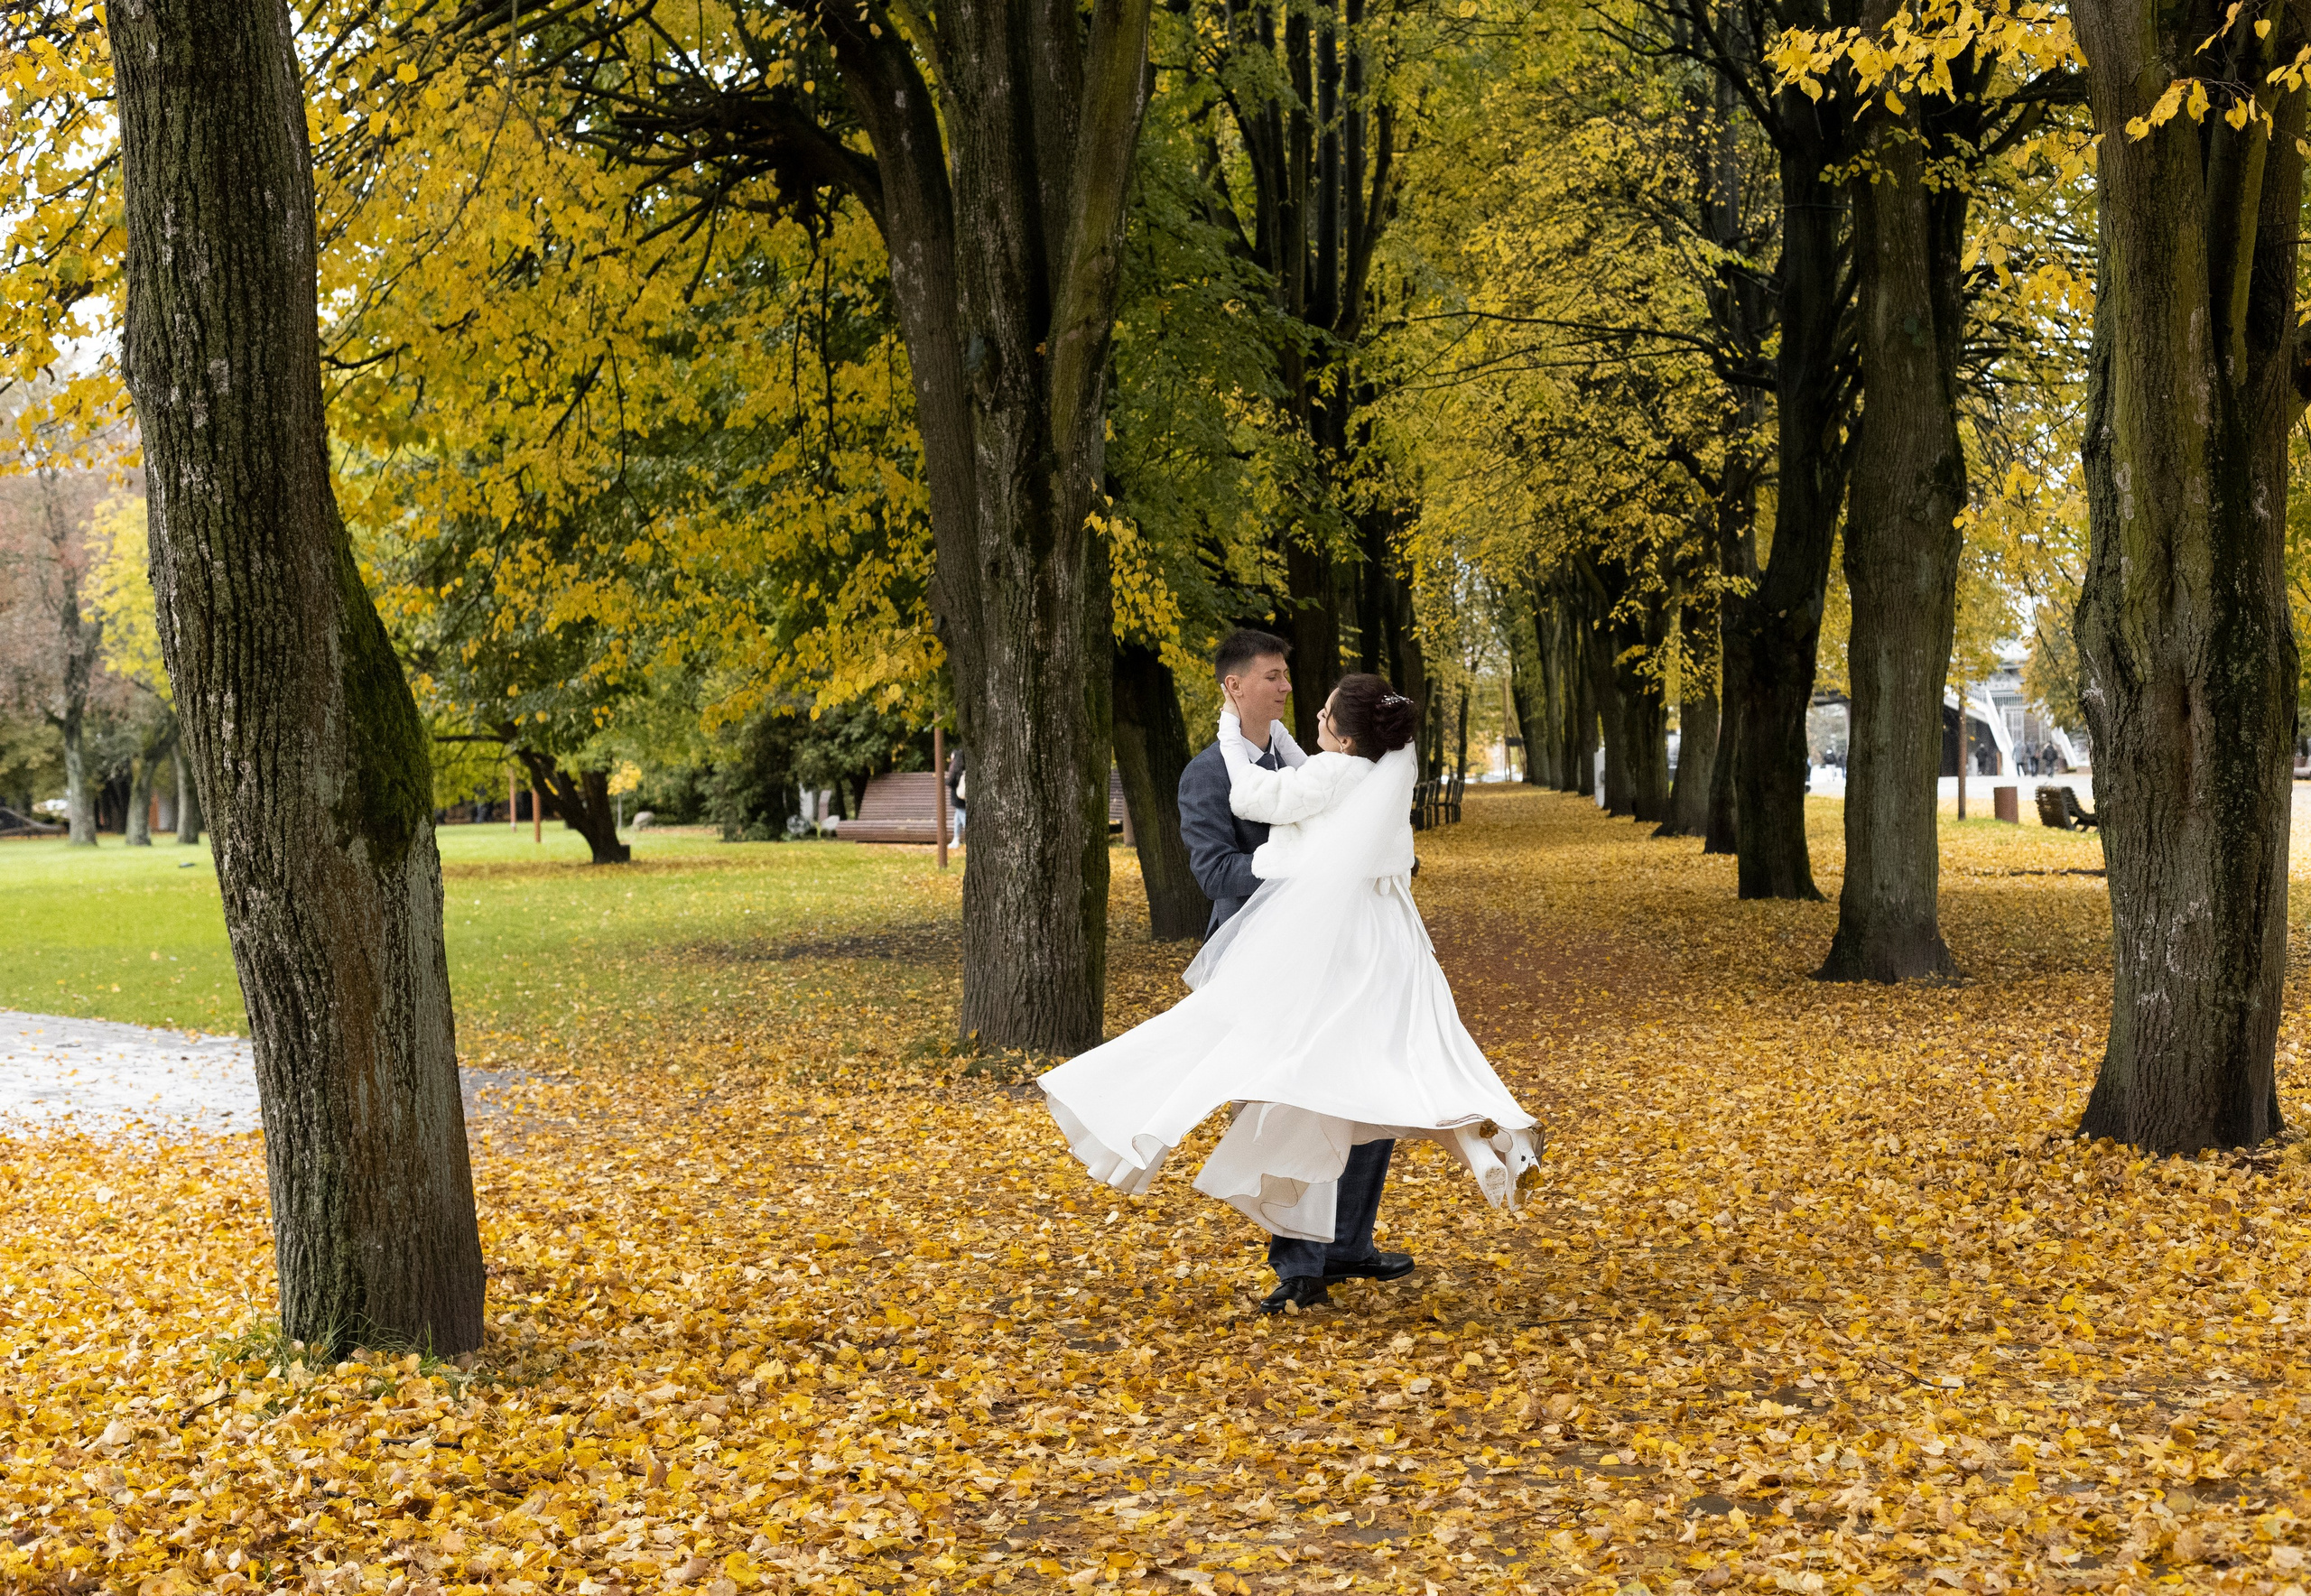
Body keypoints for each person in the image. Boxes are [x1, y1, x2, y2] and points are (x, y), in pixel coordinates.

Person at [1041, 655, 1545, 1315]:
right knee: (1373, 1077)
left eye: (1304, 689)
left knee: (1335, 1089)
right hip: (1369, 947)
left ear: (1342, 733)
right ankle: (1458, 1156)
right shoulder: (1359, 774)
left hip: (1324, 949)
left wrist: (1307, 863)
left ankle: (1343, 1245)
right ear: (1235, 684)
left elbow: (1268, 796)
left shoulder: (1325, 769)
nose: (1294, 695)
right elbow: (1221, 869)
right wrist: (1306, 865)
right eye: (1275, 677)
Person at [944, 745, 967, 846]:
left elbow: (951, 782)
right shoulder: (963, 767)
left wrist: (945, 781)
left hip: (958, 798)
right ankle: (956, 839)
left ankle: (967, 838)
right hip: (962, 798)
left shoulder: (956, 768)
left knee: (964, 819)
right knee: (957, 820)